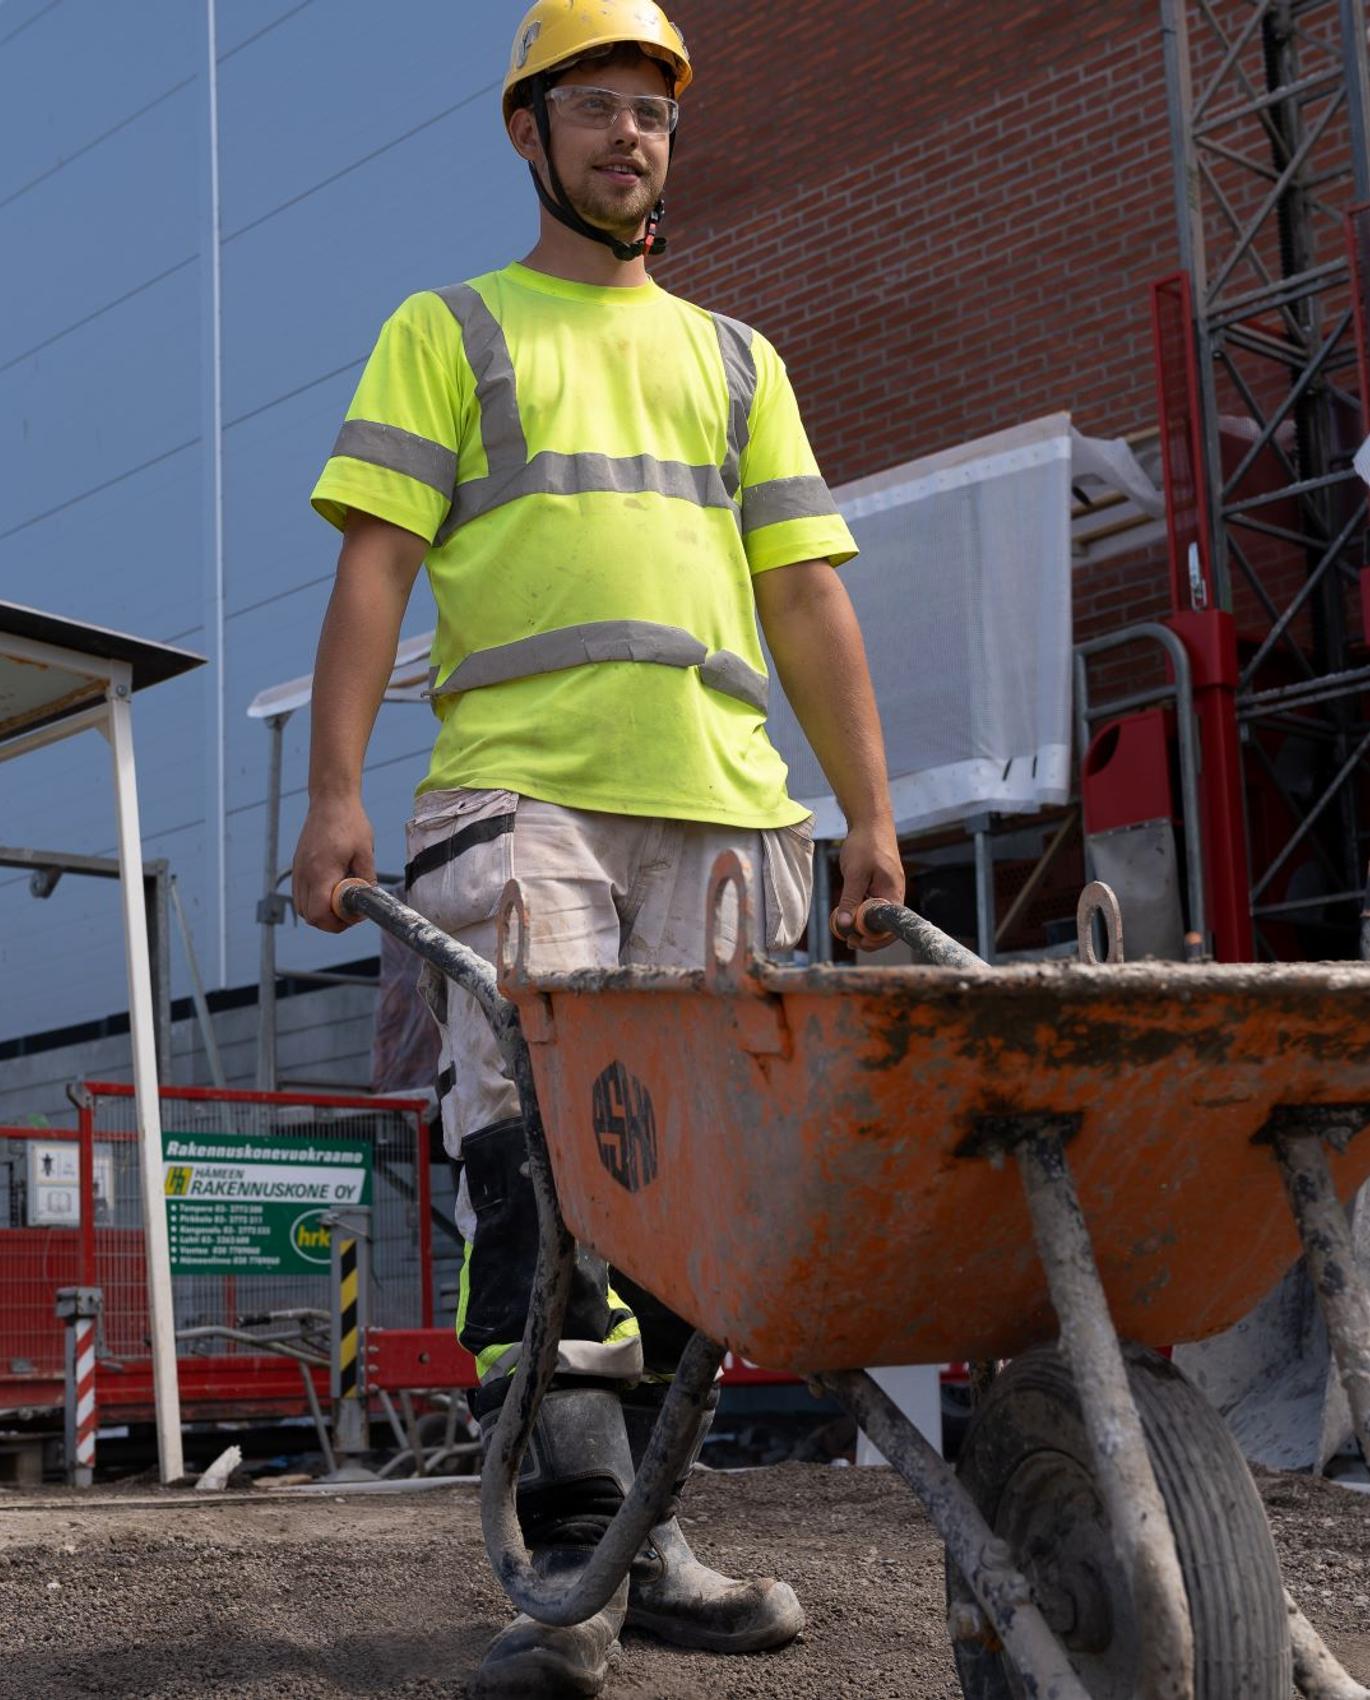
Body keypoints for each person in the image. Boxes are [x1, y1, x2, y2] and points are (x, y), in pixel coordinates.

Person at [292, 3, 903, 1693]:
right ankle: (568, 1560)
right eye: (597, 109)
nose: (631, 136)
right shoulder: (452, 328)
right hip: (519, 805)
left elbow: (804, 595)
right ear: (527, 133)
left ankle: (651, 1544)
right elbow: (372, 570)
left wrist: (865, 813)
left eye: (653, 112)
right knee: (542, 1168)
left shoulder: (734, 358)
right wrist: (336, 793)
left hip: (726, 814)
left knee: (693, 1200)